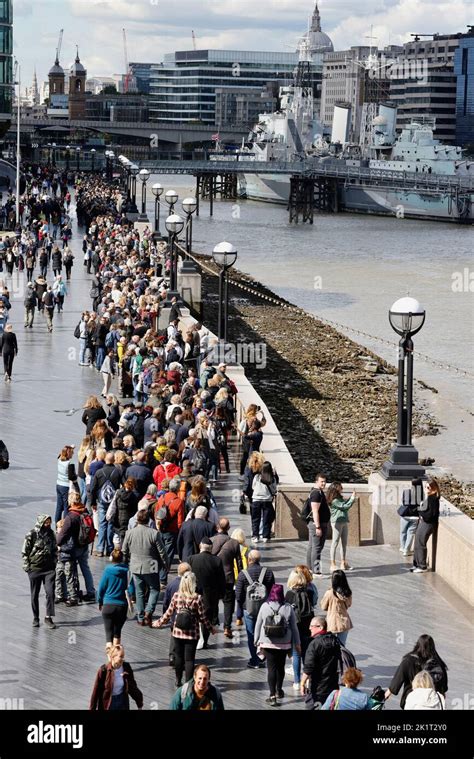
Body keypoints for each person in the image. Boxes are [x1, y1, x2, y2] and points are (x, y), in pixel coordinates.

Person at [152, 571, 216, 687]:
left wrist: (159, 622)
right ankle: (188, 683)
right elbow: (202, 617)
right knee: (189, 660)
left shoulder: (177, 595)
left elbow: (169, 612)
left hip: (177, 632)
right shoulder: (197, 598)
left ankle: (177, 680)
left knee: (179, 657)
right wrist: (211, 628)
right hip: (192, 633)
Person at [254, 584, 301, 707]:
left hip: (268, 642)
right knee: (281, 667)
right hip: (284, 643)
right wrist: (297, 643)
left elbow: (258, 624)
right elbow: (294, 628)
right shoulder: (288, 607)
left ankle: (272, 695)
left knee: (271, 668)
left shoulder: (264, 606)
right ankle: (279, 690)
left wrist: (256, 640)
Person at [122, 509, 169, 626]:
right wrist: (165, 565)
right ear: (149, 520)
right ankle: (149, 612)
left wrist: (128, 561)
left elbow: (124, 550)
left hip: (135, 566)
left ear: (137, 519)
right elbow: (162, 552)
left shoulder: (129, 533)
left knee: (139, 591)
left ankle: (140, 616)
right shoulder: (154, 533)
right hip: (151, 566)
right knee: (155, 589)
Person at [235, 549, 275, 668]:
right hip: (265, 609)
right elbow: (273, 590)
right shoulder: (267, 572)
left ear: (249, 559)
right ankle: (263, 657)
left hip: (249, 608)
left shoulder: (243, 574)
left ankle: (255, 660)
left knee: (251, 634)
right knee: (264, 633)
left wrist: (240, 611)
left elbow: (238, 595)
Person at [385, 634, 448, 709]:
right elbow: (443, 690)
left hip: (412, 700)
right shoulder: (438, 664)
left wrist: (384, 696)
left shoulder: (408, 661)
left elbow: (396, 682)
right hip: (432, 701)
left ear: (418, 645)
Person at [21, 514, 57, 630]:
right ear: (41, 522)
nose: (48, 525)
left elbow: (55, 548)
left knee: (50, 593)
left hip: (48, 570)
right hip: (35, 569)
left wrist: (54, 562)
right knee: (34, 594)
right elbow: (25, 551)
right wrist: (28, 568)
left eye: (49, 522)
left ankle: (48, 616)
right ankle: (35, 617)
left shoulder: (51, 534)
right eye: (46, 522)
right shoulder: (31, 534)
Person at [189, 537, 226, 648]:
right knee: (207, 619)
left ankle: (194, 638)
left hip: (193, 594)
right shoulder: (217, 560)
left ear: (200, 546)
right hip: (210, 597)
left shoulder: (191, 559)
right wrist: (221, 594)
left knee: (193, 616)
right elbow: (221, 580)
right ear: (211, 549)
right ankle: (204, 640)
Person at [300, 616, 342, 709]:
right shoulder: (334, 640)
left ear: (320, 627)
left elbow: (308, 667)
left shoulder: (314, 644)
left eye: (312, 626)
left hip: (318, 686)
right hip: (333, 684)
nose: (309, 628)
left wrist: (302, 683)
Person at [211, 518, 243, 638]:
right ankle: (227, 627)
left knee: (213, 600)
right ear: (228, 528)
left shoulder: (211, 540)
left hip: (214, 577)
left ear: (217, 527)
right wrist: (240, 578)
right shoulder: (234, 543)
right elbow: (239, 563)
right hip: (228, 577)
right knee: (229, 603)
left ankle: (214, 623)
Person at [285, 569, 315, 692]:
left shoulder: (289, 594)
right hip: (308, 627)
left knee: (296, 655)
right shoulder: (309, 592)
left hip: (295, 628)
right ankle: (307, 679)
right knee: (307, 655)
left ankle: (297, 682)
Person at [89, 644, 143, 711]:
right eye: (121, 657)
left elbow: (133, 687)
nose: (123, 659)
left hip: (122, 702)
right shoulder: (103, 671)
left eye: (123, 657)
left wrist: (139, 703)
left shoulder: (126, 667)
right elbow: (96, 692)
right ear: (113, 657)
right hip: (108, 703)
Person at [96, 549, 129, 646]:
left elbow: (101, 588)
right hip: (122, 606)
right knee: (117, 633)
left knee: (108, 635)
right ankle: (117, 659)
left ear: (111, 558)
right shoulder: (127, 571)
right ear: (122, 559)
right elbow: (131, 590)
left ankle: (110, 660)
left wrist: (100, 601)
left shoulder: (107, 570)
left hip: (108, 605)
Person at [411, 478, 440, 573]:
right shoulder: (430, 497)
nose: (426, 489)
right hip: (424, 523)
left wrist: (420, 511)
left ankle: (422, 566)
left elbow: (430, 515)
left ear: (434, 489)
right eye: (426, 487)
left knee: (420, 544)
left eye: (428, 487)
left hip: (428, 524)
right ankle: (417, 564)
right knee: (417, 543)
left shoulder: (433, 499)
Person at [327, 482, 356, 572]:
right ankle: (332, 564)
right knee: (335, 542)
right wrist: (352, 498)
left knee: (344, 543)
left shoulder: (339, 498)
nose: (342, 489)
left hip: (343, 521)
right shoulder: (334, 500)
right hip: (336, 522)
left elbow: (344, 505)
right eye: (340, 488)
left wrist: (351, 498)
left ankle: (343, 563)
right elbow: (344, 507)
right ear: (336, 489)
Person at [320, 569, 353, 647]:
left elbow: (323, 606)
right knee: (341, 646)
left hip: (332, 622)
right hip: (344, 621)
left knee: (330, 645)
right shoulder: (348, 592)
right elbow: (349, 605)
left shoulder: (329, 593)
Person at [306, 473, 330, 578]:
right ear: (316, 482)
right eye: (322, 481)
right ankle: (316, 571)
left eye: (325, 481)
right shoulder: (316, 494)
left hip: (315, 524)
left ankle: (310, 569)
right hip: (317, 525)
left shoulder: (317, 492)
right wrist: (318, 527)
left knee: (312, 547)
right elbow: (315, 511)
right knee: (317, 548)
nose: (324, 483)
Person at [250, 460, 278, 544]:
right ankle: (265, 536)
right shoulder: (272, 478)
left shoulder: (257, 477)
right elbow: (274, 489)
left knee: (255, 519)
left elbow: (253, 487)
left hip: (256, 500)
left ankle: (255, 536)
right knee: (267, 519)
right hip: (267, 500)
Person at [399, 478, 423, 557]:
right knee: (411, 534)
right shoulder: (421, 495)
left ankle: (402, 547)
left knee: (403, 532)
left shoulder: (406, 492)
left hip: (405, 515)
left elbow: (404, 502)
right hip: (415, 517)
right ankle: (407, 550)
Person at [55, 445, 77, 523]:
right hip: (66, 486)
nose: (73, 454)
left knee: (58, 506)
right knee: (66, 507)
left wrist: (69, 447)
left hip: (58, 485)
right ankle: (65, 524)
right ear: (68, 453)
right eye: (72, 453)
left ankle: (57, 523)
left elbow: (61, 454)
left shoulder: (59, 460)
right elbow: (72, 476)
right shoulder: (69, 463)